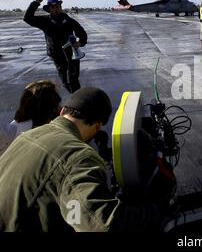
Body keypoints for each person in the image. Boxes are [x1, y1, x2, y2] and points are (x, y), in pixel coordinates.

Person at [0, 87, 163, 231]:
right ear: (98, 126)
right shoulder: (76, 155)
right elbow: (103, 224)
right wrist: (156, 209)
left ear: (63, 111)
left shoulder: (27, 135)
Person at [23, 0, 88, 93]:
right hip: (57, 55)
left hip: (72, 53)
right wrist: (36, 3)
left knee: (74, 77)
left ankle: (77, 97)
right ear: (49, 9)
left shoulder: (68, 20)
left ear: (60, 7)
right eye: (53, 7)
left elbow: (81, 33)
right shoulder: (44, 21)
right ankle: (74, 94)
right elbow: (27, 18)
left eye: (57, 6)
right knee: (65, 80)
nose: (56, 9)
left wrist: (80, 42)